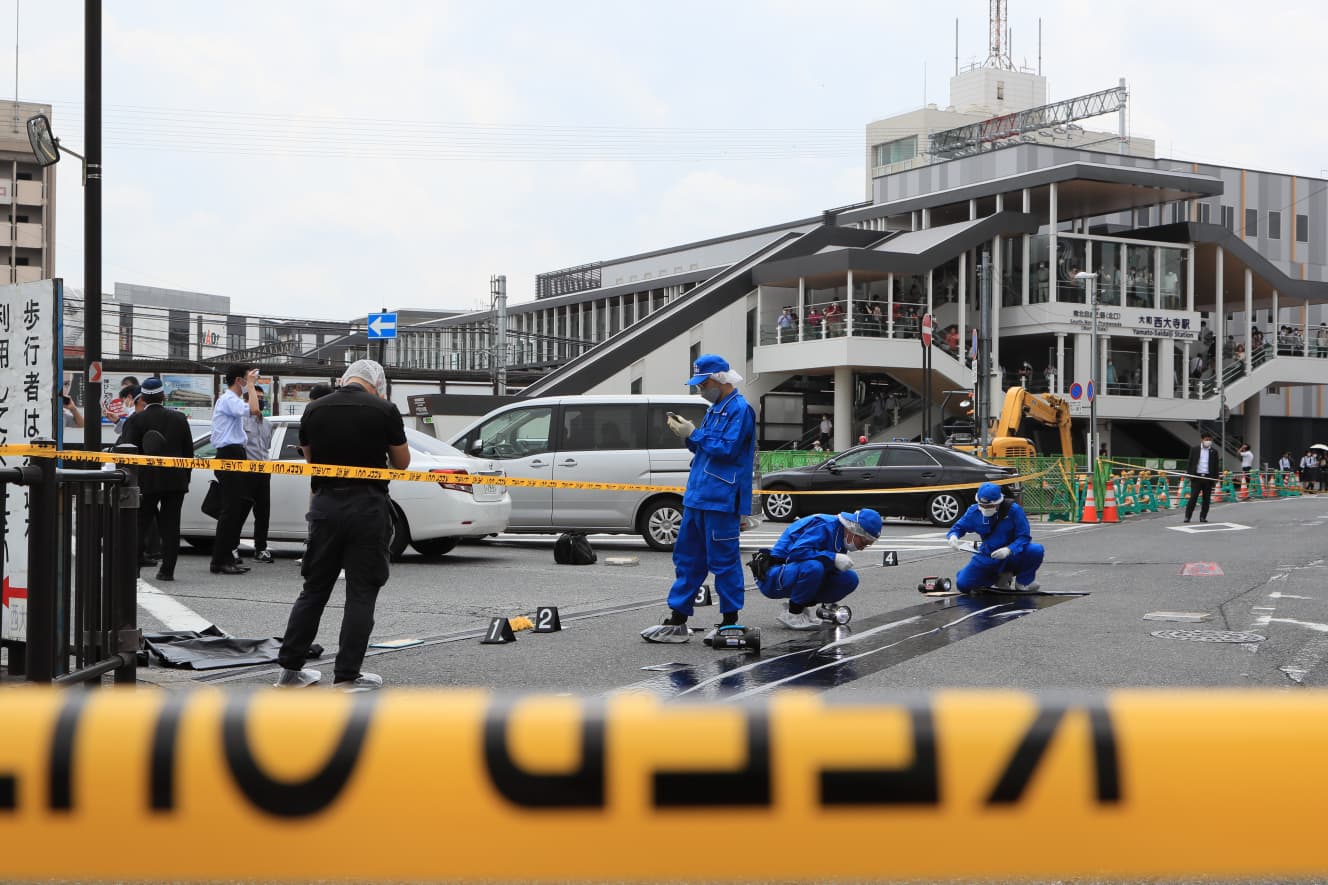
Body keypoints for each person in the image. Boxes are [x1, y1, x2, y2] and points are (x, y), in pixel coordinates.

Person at [275, 359, 409, 690]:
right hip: (367, 508)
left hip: (325, 506)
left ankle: (290, 671)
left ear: (345, 378)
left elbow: (310, 457)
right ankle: (347, 675)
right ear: (376, 383)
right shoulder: (384, 409)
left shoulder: (315, 409)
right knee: (361, 591)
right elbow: (403, 463)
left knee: (314, 588)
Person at [641, 354, 756, 645]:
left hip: (721, 497)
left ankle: (730, 622)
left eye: (702, 384)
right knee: (687, 559)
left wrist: (695, 433)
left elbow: (727, 450)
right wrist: (688, 434)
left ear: (719, 379)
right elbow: (705, 449)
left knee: (724, 561)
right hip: (698, 496)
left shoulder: (740, 409)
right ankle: (677, 621)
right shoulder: (717, 408)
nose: (700, 390)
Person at [756, 508, 882, 629]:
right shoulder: (824, 525)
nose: (862, 548)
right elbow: (797, 554)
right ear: (854, 530)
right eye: (863, 543)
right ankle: (793, 614)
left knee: (849, 578)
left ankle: (803, 607)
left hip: (793, 572)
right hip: (773, 575)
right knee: (814, 567)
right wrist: (832, 558)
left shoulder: (841, 534)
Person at [120, 378, 194, 582]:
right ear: (164, 396)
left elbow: (127, 453)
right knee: (171, 525)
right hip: (175, 480)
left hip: (145, 481)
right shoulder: (179, 419)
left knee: (140, 523)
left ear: (142, 398)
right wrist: (184, 479)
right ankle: (167, 570)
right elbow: (189, 453)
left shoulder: (136, 420)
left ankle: (133, 567)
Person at [210, 364, 261, 576]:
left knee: (236, 508)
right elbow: (255, 410)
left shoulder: (233, 400)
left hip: (236, 453)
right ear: (239, 380)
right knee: (230, 510)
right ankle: (219, 561)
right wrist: (250, 385)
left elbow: (255, 411)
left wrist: (248, 384)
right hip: (229, 454)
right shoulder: (229, 399)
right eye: (249, 378)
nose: (254, 381)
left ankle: (227, 557)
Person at [947, 483, 1043, 593]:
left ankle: (1024, 582)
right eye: (981, 505)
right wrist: (953, 536)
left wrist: (1009, 549)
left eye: (989, 506)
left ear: (998, 503)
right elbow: (958, 527)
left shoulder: (1014, 511)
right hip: (988, 555)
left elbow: (1024, 536)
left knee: (1035, 550)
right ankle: (1000, 577)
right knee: (963, 585)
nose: (984, 509)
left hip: (1013, 554)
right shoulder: (974, 512)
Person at [242, 385, 275, 564]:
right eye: (257, 397)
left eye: (262, 398)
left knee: (263, 512)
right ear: (247, 400)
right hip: (247, 472)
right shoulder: (241, 421)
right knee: (240, 511)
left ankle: (260, 548)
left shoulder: (268, 423)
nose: (260, 401)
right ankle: (232, 546)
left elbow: (266, 448)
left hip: (264, 472)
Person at [1184, 431, 1222, 523]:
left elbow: (1216, 466)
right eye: (1206, 439)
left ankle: (1203, 517)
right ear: (1202, 440)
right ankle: (1187, 517)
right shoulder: (1195, 449)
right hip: (1197, 477)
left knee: (1206, 499)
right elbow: (1190, 463)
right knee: (1193, 497)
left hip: (1208, 478)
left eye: (1209, 440)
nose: (1208, 441)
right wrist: (1189, 475)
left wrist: (1216, 478)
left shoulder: (1214, 451)